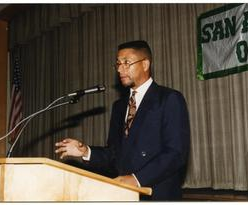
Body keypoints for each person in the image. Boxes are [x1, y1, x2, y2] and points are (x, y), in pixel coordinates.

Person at [55, 40, 190, 201]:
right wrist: (86, 151)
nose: (120, 69)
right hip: (124, 196)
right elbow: (115, 156)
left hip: (157, 195)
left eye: (126, 63)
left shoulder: (168, 99)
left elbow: (175, 153)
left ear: (145, 64)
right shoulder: (119, 106)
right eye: (118, 63)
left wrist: (137, 179)